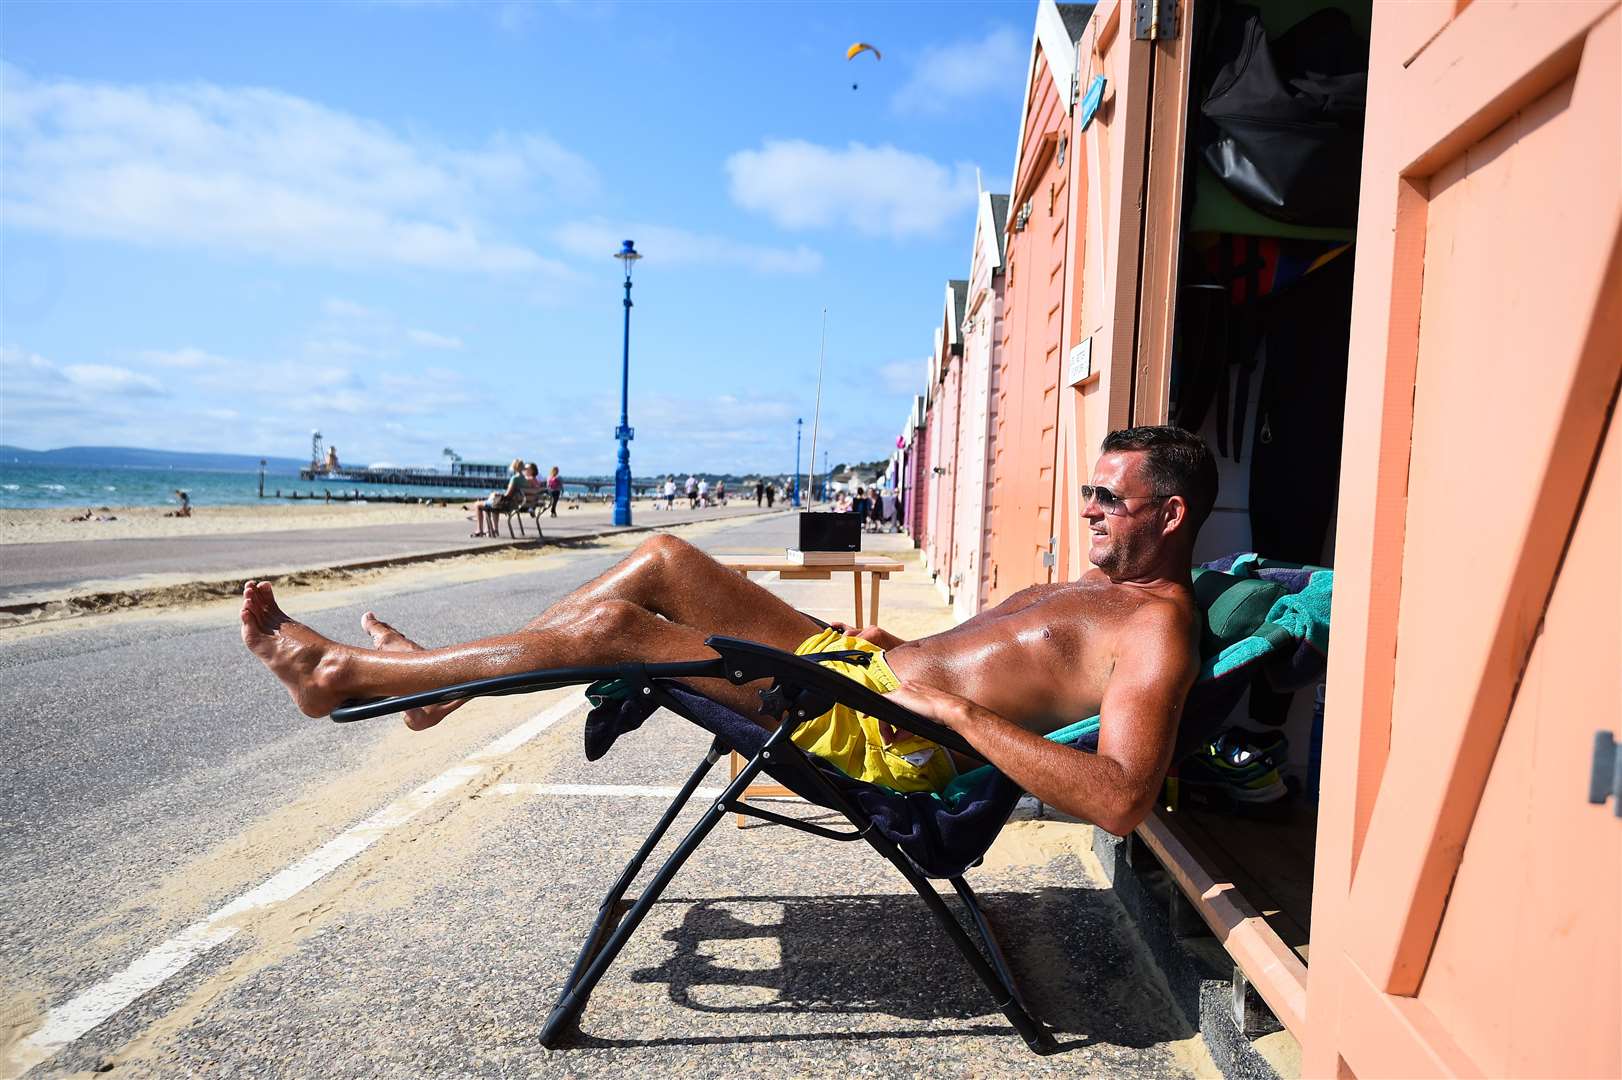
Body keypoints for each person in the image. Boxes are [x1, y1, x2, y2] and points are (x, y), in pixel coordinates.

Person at [241, 426, 1213, 831]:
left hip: (880, 729)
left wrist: (952, 718)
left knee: (623, 627)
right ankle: (441, 686)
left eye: (1107, 498)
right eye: (1088, 489)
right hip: (861, 672)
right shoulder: (1100, 589)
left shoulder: (1156, 633)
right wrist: (897, 654)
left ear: (1167, 517)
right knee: (664, 560)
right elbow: (998, 660)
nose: (1086, 507)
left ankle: (351, 676)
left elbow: (1120, 799)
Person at [472, 459, 525, 537]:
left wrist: (497, 495)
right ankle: (494, 529)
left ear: (514, 467)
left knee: (477, 504)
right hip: (515, 504)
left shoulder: (515, 478)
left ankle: (479, 530)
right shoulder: (524, 478)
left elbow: (507, 495)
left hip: (507, 504)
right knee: (494, 501)